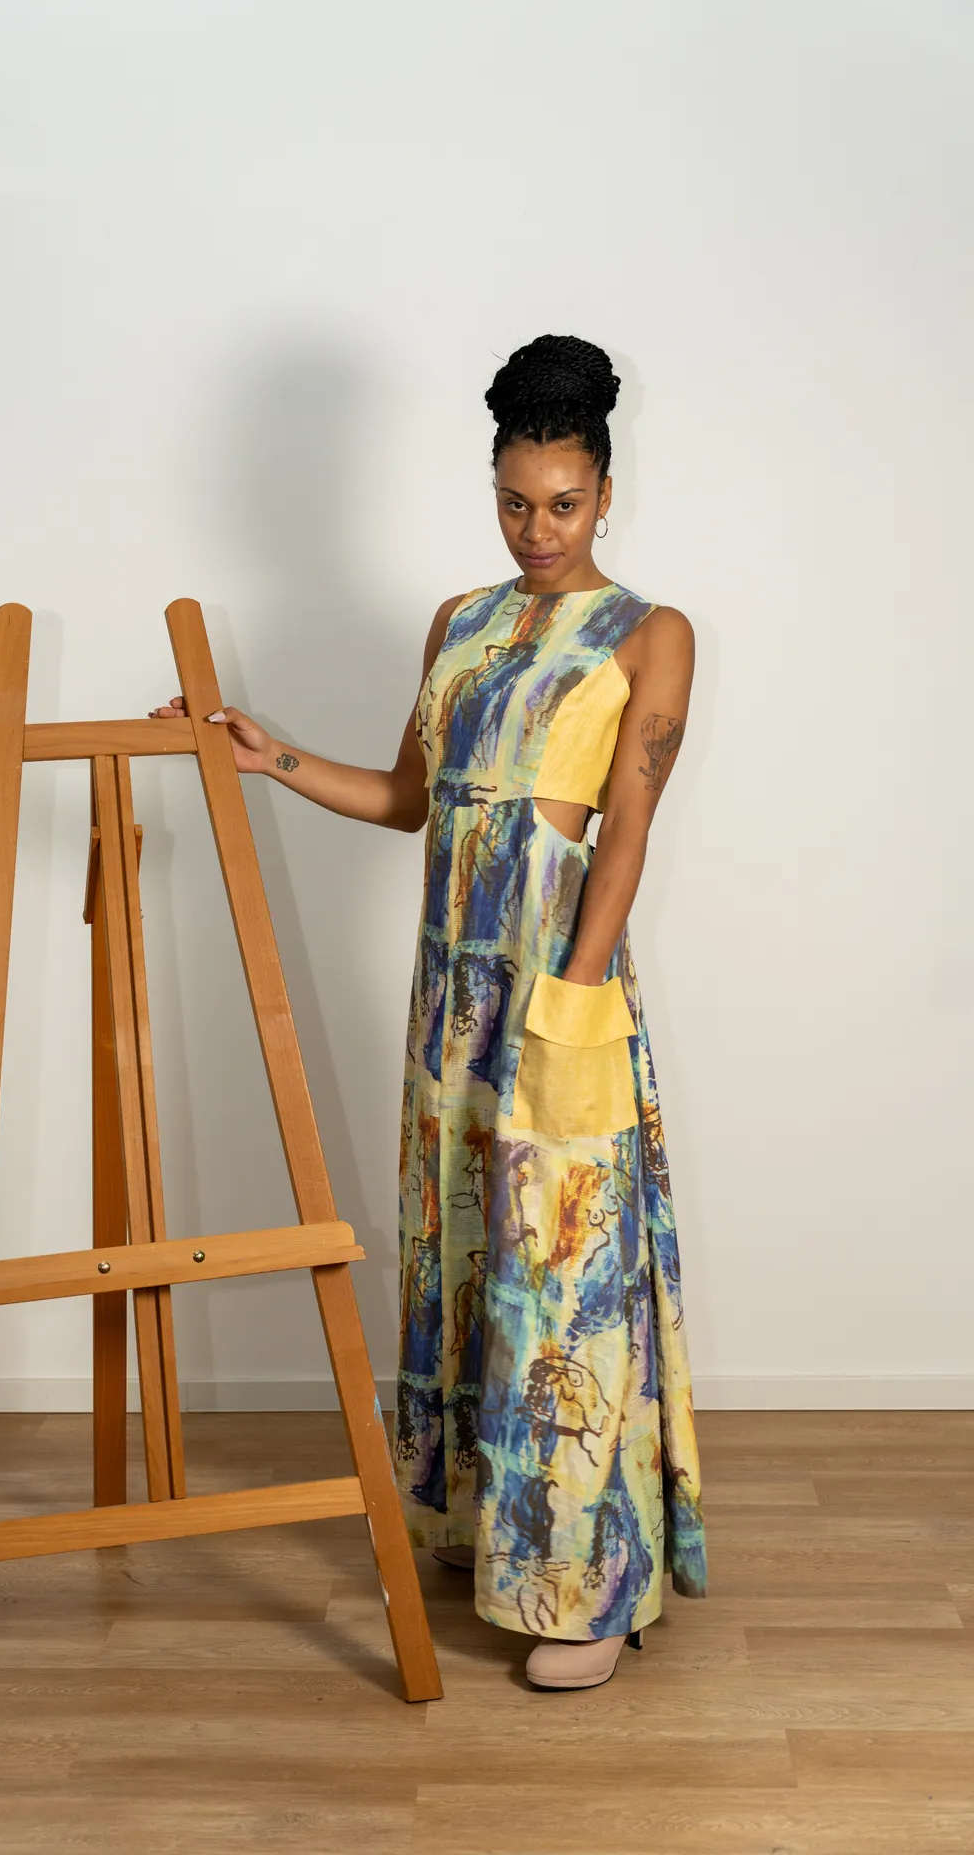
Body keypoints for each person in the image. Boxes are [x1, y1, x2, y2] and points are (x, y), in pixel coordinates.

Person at [149, 331, 707, 1691]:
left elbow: (626, 833)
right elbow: (413, 801)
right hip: (450, 993)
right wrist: (272, 754)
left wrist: (573, 997)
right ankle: (476, 1525)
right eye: (514, 502)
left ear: (607, 492)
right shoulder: (458, 622)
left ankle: (585, 1589)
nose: (537, 530)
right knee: (461, 1247)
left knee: (563, 1266)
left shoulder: (651, 635)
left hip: (557, 979)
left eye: (563, 504)